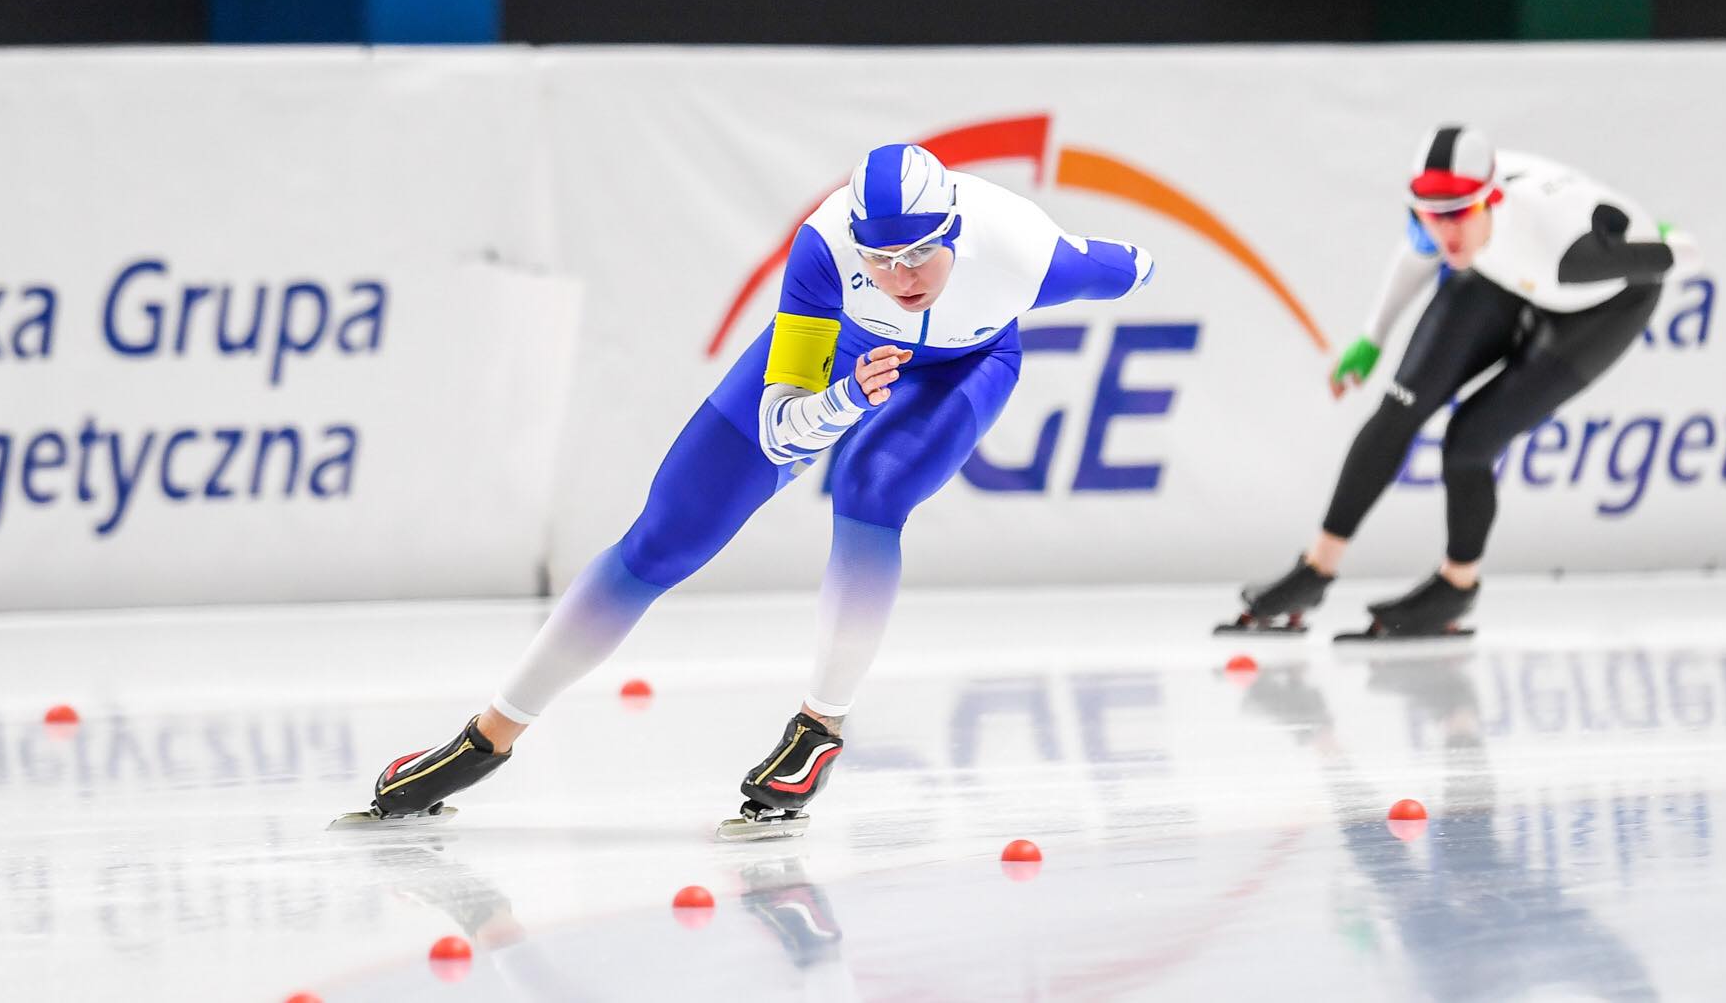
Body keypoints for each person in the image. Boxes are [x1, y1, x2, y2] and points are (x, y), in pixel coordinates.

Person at [363, 143, 1154, 827]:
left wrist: (1138, 262)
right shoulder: (823, 252)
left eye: (919, 255)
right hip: (846, 350)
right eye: (880, 259)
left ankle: (818, 730)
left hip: (969, 364)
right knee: (666, 534)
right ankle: (487, 737)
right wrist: (847, 397)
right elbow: (782, 427)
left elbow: (1134, 263)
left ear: (955, 232)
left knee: (873, 491)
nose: (900, 275)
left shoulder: (1027, 251)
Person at [1223, 125, 1697, 640]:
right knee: (1398, 408)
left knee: (1469, 440)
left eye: (1457, 215)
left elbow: (1674, 257)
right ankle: (1315, 569)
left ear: (1490, 198)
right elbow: (1417, 254)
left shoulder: (1559, 252)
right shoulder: (1453, 221)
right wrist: (1372, 340)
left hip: (1598, 304)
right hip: (1499, 267)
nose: (1444, 233)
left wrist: (1660, 242)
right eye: (1431, 216)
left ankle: (1457, 584)